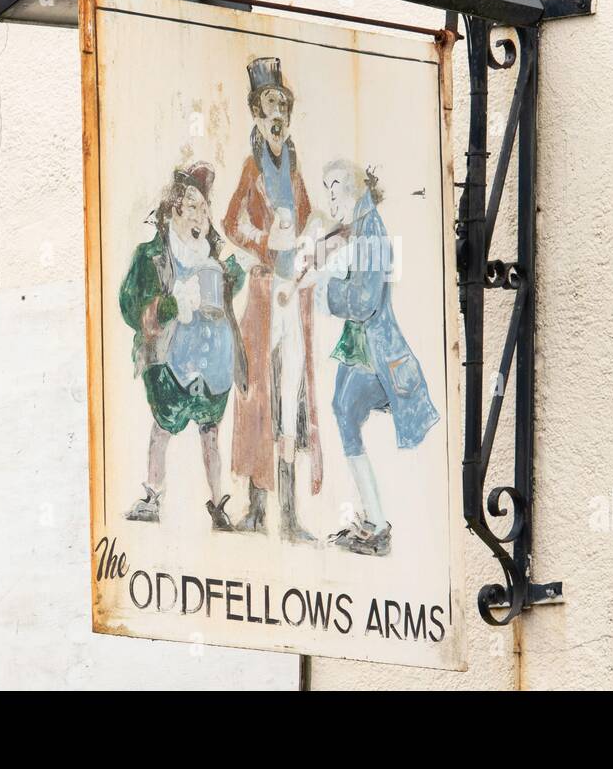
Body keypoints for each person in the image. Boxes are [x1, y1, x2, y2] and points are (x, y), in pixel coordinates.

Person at [222, 57, 323, 543]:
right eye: (268, 107)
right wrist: (264, 240)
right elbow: (230, 222)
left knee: (292, 404)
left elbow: (305, 218)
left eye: (281, 105)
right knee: (258, 397)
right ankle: (258, 511)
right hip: (263, 292)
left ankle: (290, 514)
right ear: (256, 116)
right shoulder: (251, 166)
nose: (276, 115)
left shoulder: (295, 166)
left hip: (291, 295)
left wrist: (307, 244)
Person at [320, 160, 439, 556]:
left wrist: (328, 291)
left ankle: (377, 525)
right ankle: (374, 522)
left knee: (345, 411)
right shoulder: (360, 227)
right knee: (343, 411)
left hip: (373, 350)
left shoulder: (370, 230)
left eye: (333, 189)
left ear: (350, 188)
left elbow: (366, 300)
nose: (330, 198)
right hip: (361, 346)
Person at [120, 162, 246, 531]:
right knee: (162, 428)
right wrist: (171, 304)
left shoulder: (213, 257)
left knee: (211, 436)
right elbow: (131, 306)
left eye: (204, 208)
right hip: (170, 364)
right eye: (191, 206)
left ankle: (218, 502)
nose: (200, 215)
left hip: (213, 369)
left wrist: (232, 276)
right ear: (174, 210)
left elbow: (225, 297)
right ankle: (152, 495)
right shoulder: (152, 256)